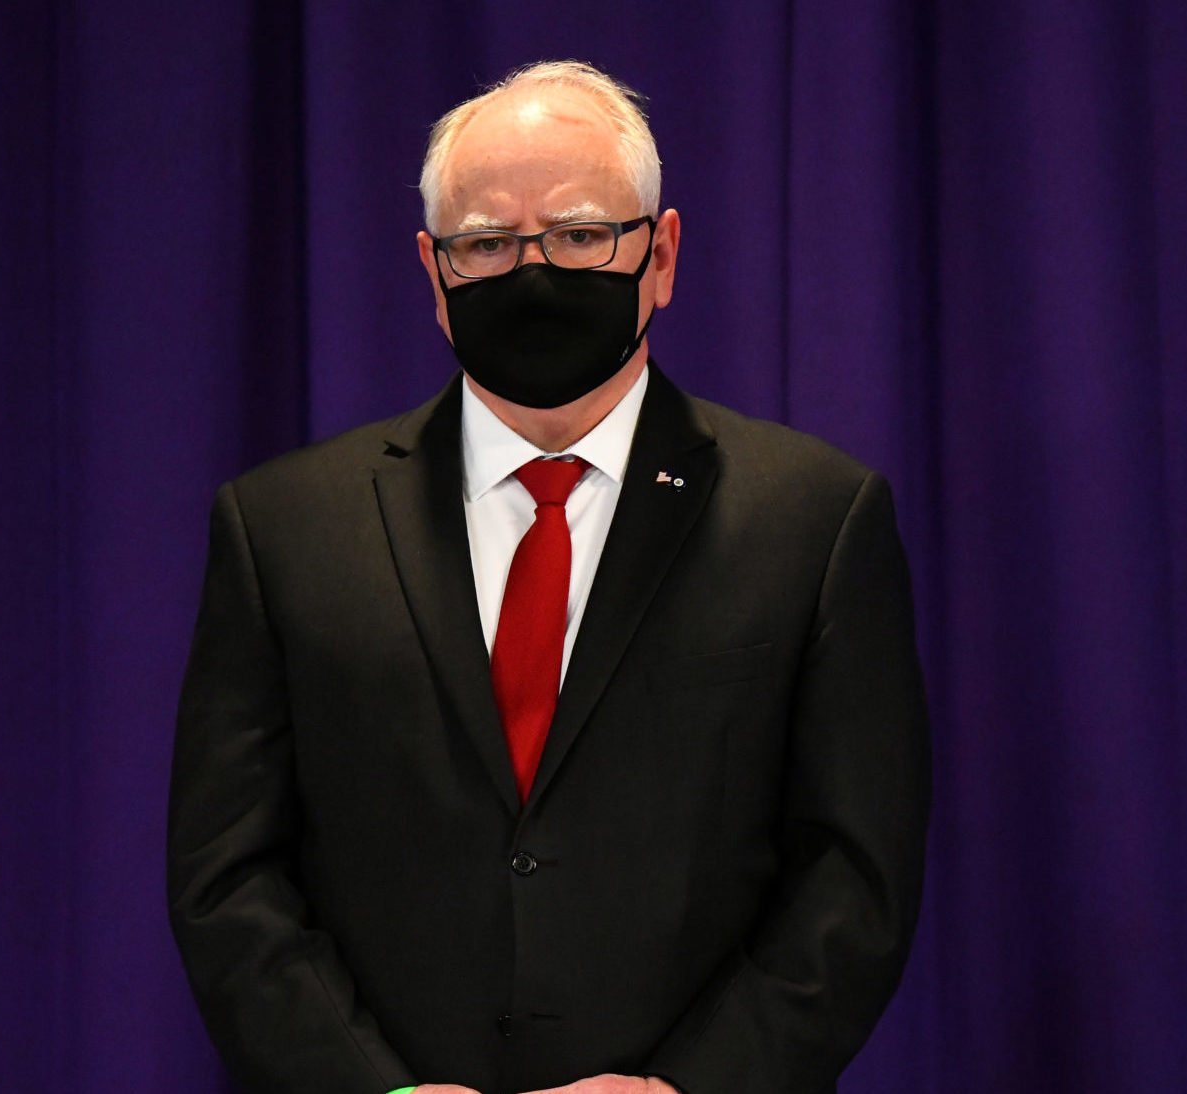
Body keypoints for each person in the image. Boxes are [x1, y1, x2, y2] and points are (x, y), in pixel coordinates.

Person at [168, 60, 931, 1094]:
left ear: (659, 253)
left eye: (578, 234)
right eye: (487, 243)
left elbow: (856, 874)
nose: (535, 272)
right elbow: (227, 875)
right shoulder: (283, 527)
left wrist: (687, 1090)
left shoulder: (812, 518)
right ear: (435, 276)